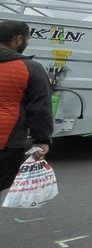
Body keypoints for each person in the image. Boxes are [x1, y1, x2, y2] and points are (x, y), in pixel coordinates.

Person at [0, 20, 53, 195]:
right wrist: (42, 140)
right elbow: (40, 107)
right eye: (27, 39)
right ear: (18, 39)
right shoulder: (31, 68)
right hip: (7, 142)